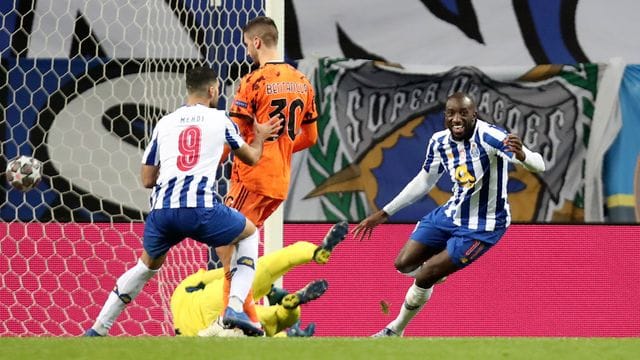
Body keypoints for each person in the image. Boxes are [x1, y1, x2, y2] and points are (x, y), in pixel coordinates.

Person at [84, 66, 282, 337]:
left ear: (187, 90)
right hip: (201, 209)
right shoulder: (219, 119)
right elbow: (250, 158)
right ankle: (234, 306)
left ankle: (97, 329)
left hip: (163, 212)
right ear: (213, 91)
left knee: (145, 268)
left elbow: (146, 178)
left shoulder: (164, 123)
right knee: (249, 235)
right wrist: (258, 137)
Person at [353, 92, 546, 337]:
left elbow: (539, 164)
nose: (457, 118)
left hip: (483, 226)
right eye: (451, 113)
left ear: (474, 115)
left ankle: (395, 329)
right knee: (402, 264)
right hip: (451, 214)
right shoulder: (439, 141)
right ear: (445, 116)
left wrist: (523, 156)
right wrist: (385, 212)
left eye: (463, 113)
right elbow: (424, 180)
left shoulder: (490, 136)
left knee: (426, 274)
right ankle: (432, 275)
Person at [218, 15, 319, 328]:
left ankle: (231, 321)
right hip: (278, 183)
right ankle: (250, 322)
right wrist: (283, 148)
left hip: (251, 176)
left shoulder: (253, 82)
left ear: (257, 42)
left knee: (227, 251)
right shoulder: (303, 83)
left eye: (248, 44)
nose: (248, 50)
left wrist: (211, 162)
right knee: (237, 249)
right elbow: (311, 137)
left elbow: (233, 136)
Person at [171, 221, 348, 337]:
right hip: (213, 300)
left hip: (209, 332)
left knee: (264, 329)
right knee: (267, 266)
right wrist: (265, 286)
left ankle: (289, 332)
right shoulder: (179, 293)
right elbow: (224, 274)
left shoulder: (186, 331)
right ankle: (315, 253)